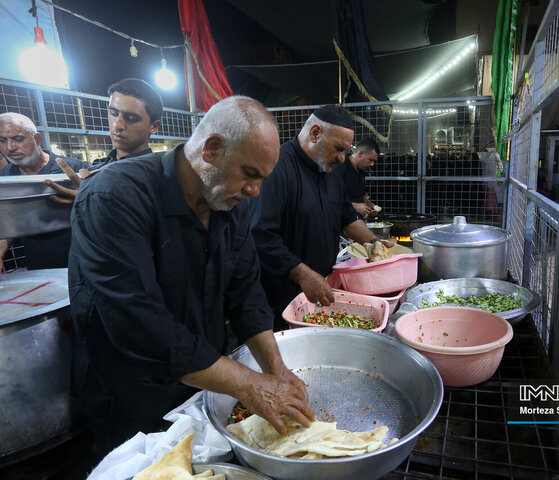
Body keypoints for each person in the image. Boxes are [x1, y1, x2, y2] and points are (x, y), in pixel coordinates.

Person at [68, 96, 315, 457]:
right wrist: (250, 385)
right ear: (212, 149)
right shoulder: (114, 197)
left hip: (200, 380)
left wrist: (277, 372)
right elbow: (138, 321)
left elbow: (246, 293)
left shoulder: (227, 204)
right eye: (250, 174)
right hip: (131, 394)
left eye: (262, 179)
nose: (255, 191)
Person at [251, 105, 394, 331]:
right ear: (315, 133)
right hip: (278, 294)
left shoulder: (331, 172)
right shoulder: (277, 167)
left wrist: (373, 242)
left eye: (345, 151)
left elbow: (346, 216)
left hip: (318, 287)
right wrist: (304, 275)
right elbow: (260, 235)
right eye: (338, 149)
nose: (341, 159)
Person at [45, 78, 163, 200]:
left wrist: (91, 200)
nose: (117, 125)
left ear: (154, 126)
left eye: (131, 118)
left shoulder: (159, 179)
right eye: (113, 114)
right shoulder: (96, 170)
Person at [0, 112, 88, 271]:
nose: (10, 147)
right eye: (2, 140)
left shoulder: (74, 169)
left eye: (18, 139)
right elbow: (7, 220)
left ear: (37, 139)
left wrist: (87, 198)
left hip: (82, 262)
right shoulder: (5, 177)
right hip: (38, 265)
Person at [332, 137, 380, 216]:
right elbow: (331, 200)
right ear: (360, 154)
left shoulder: (361, 171)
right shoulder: (339, 169)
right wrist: (356, 207)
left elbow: (358, 195)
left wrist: (369, 205)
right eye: (370, 160)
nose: (372, 164)